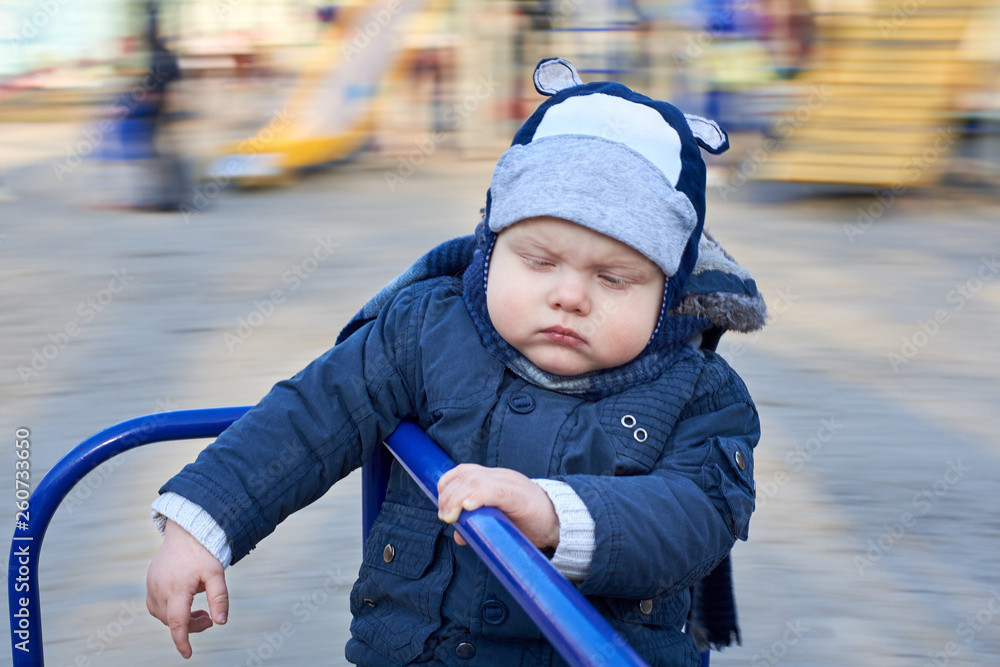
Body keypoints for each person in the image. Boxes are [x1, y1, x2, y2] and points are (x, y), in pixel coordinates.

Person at [145, 57, 766, 666]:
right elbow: (311, 413)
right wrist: (202, 522)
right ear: (490, 252)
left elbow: (694, 517)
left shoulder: (701, 394)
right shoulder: (426, 329)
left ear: (668, 294)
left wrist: (555, 515)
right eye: (540, 261)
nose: (570, 295)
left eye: (614, 277)